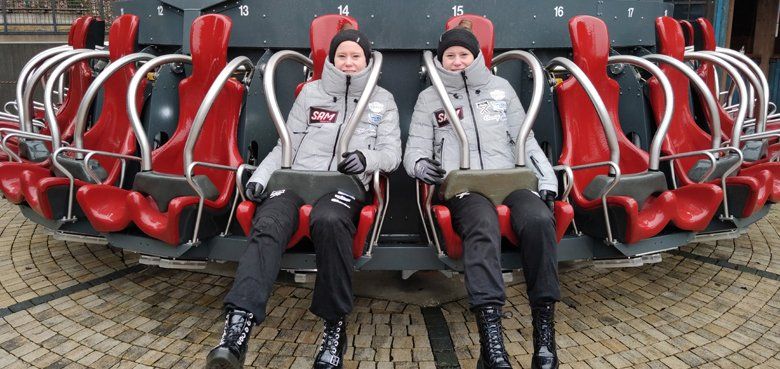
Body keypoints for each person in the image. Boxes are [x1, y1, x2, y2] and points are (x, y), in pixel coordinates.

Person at [207, 26, 402, 369]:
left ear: (368, 61)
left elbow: (392, 154)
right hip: (296, 178)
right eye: (341, 56)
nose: (348, 63)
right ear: (331, 59)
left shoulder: (382, 99)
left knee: (329, 220)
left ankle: (333, 326)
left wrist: (366, 160)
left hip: (343, 184)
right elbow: (287, 143)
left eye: (356, 57)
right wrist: (261, 178)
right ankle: (236, 329)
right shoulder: (311, 93)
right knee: (267, 221)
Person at [403, 22, 560, 369]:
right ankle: (492, 344)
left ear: (476, 57)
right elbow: (414, 149)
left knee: (538, 220)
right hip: (465, 187)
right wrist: (419, 166)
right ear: (440, 60)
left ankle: (544, 334)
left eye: (464, 54)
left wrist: (546, 179)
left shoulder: (500, 89)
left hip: (510, 179)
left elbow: (525, 139)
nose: (457, 61)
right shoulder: (430, 98)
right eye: (450, 55)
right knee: (482, 224)